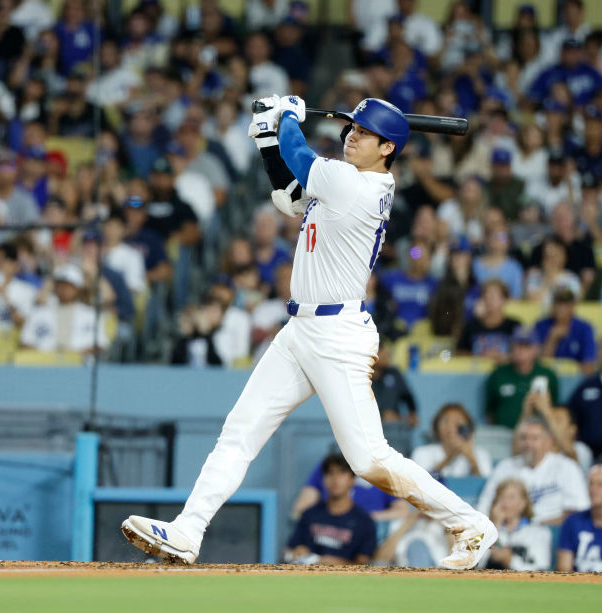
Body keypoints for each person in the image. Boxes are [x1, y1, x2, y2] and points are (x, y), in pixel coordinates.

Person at [122, 95, 498, 570]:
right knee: (240, 430)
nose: (351, 136)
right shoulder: (345, 181)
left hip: (338, 335)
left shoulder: (358, 185)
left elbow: (300, 158)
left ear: (387, 148)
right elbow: (288, 192)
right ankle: (187, 530)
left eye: (363, 133)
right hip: (301, 329)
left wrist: (288, 119)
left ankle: (471, 524)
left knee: (368, 460)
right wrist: (267, 138)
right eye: (351, 128)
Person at [476, 416, 589, 525]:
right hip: (508, 532)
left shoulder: (566, 466)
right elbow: (483, 508)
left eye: (534, 438)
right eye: (524, 438)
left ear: (548, 441)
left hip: (554, 532)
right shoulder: (505, 467)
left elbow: (578, 511)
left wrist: (536, 525)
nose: (528, 443)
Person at [285, 453, 377, 566]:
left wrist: (334, 563)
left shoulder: (365, 522)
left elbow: (364, 565)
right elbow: (288, 552)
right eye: (330, 473)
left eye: (342, 473)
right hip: (308, 577)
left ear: (352, 480)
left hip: (347, 580)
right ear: (323, 480)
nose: (335, 479)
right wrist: (297, 553)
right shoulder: (309, 514)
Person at [19, 264, 108, 355]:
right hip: (44, 364)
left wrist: (73, 356)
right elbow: (26, 342)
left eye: (68, 285)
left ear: (78, 289)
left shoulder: (91, 314)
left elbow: (100, 345)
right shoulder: (39, 312)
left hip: (81, 364)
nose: (63, 289)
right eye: (60, 285)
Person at [483, 327, 560, 428]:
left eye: (526, 346)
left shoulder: (548, 375)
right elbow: (490, 411)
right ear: (511, 348)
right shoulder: (498, 374)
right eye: (517, 345)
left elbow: (554, 408)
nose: (521, 351)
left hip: (537, 436)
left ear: (536, 349)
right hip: (503, 433)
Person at [481, 479, 553, 571]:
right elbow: (475, 563)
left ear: (523, 503)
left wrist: (510, 561)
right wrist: (496, 525)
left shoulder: (539, 532)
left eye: (511, 498)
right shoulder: (484, 530)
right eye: (502, 497)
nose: (505, 504)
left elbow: (541, 568)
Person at [411, 403, 493, 478]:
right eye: (446, 421)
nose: (451, 427)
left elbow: (486, 487)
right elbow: (420, 483)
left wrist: (471, 459)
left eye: (457, 421)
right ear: (437, 427)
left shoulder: (480, 454)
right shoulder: (422, 453)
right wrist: (448, 458)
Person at [532, 287, 597, 375]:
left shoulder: (584, 329)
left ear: (572, 307)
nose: (561, 308)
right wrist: (552, 339)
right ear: (552, 306)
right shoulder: (540, 326)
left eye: (565, 305)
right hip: (546, 376)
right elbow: (537, 364)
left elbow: (588, 366)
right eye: (558, 304)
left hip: (573, 378)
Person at [455, 279, 521, 362]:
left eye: (493, 296)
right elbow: (459, 353)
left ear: (504, 300)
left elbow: (525, 353)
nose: (489, 300)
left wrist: (503, 357)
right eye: (486, 296)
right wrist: (479, 357)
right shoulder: (470, 326)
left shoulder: (515, 326)